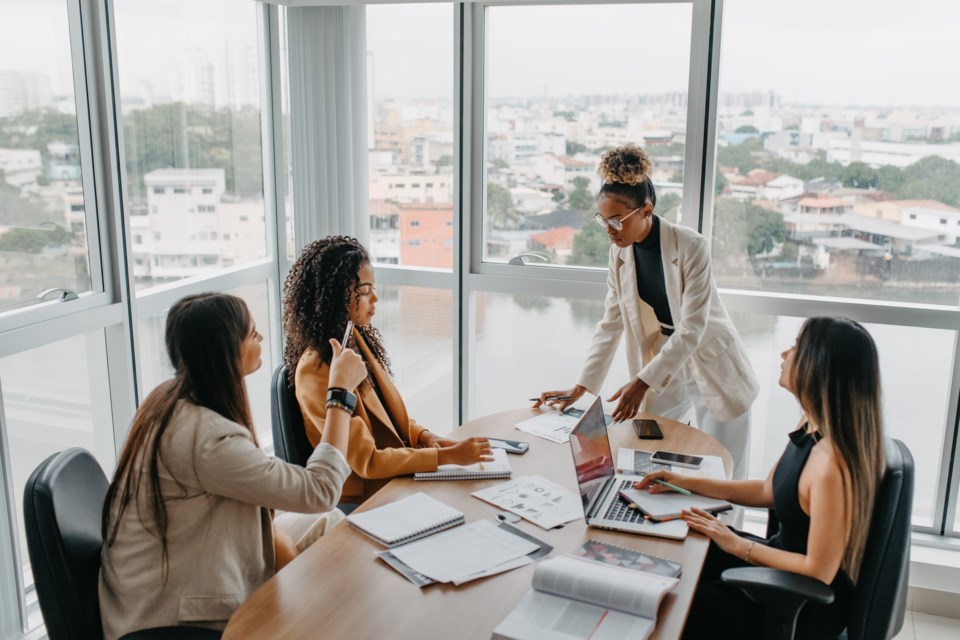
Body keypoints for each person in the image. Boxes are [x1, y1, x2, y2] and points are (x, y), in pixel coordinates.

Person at [99, 293, 366, 640]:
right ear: (227, 351)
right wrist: (340, 395)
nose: (261, 339)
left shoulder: (170, 399)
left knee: (328, 525)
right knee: (326, 518)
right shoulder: (205, 437)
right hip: (172, 615)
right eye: (253, 334)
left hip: (187, 563)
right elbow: (320, 490)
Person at [637, 316, 886, 639]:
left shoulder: (831, 466)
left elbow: (819, 571)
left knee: (676, 604)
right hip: (775, 565)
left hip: (798, 601)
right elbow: (766, 490)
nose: (785, 354)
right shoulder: (809, 427)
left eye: (796, 347)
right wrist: (682, 481)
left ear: (818, 366)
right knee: (682, 549)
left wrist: (737, 544)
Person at [536, 143, 758, 480]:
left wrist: (640, 382)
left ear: (646, 210)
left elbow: (693, 329)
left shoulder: (691, 246)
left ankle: (724, 534)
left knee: (726, 470)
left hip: (709, 360)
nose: (610, 229)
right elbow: (611, 323)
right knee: (647, 451)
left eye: (617, 220)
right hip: (663, 362)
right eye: (603, 220)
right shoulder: (619, 254)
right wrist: (582, 386)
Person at [283, 236, 492, 506]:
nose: (376, 298)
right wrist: (446, 458)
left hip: (393, 476)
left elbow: (390, 419)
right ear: (336, 296)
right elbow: (367, 461)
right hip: (365, 496)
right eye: (365, 291)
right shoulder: (316, 369)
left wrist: (426, 438)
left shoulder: (357, 339)